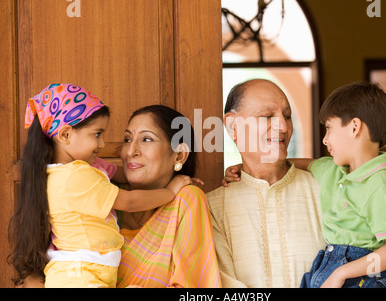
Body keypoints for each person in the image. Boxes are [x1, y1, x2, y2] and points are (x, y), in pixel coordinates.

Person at [225, 81, 386, 288]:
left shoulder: (381, 188)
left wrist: (343, 272)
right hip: (327, 267)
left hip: (359, 275)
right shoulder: (332, 171)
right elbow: (308, 163)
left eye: (328, 129)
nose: (324, 140)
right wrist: (243, 166)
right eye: (268, 116)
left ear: (354, 127)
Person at [8, 84, 192, 288]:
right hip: (78, 275)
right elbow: (129, 201)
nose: (103, 144)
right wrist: (170, 191)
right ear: (66, 135)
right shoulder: (75, 177)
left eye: (147, 139)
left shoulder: (88, 169)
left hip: (92, 273)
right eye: (97, 134)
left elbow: (125, 170)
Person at [207, 79, 326, 288]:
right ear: (233, 126)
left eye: (287, 116)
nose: (283, 126)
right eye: (267, 116)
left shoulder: (327, 190)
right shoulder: (212, 207)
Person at [115, 105, 222, 288]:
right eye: (127, 139)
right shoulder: (108, 196)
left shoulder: (186, 200)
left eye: (146, 139)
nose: (130, 151)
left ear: (179, 155)